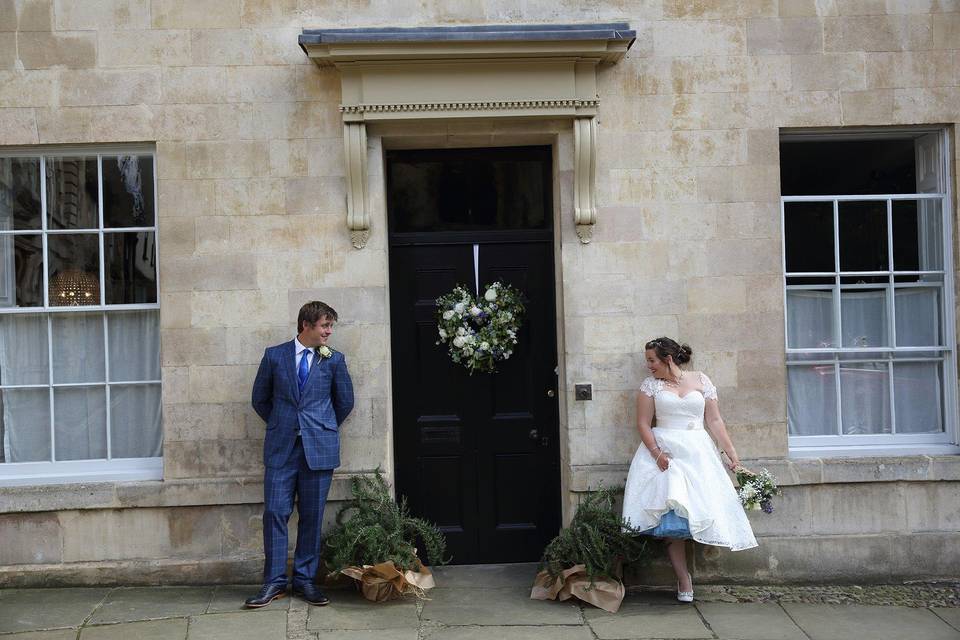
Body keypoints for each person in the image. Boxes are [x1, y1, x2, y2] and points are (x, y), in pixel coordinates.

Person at [622, 337, 756, 603]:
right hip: (666, 454)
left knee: (700, 509)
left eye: (652, 360)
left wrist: (733, 456)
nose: (648, 366)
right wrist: (656, 453)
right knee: (672, 517)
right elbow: (643, 424)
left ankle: (692, 570)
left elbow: (715, 420)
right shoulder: (651, 386)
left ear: (668, 359)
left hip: (698, 453)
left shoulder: (701, 380)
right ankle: (684, 579)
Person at [245, 301, 354, 608]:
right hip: (281, 450)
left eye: (331, 326)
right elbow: (259, 399)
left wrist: (318, 427)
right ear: (306, 325)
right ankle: (274, 582)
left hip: (318, 450)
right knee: (275, 514)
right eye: (325, 326)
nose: (329, 332)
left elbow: (344, 402)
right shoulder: (275, 356)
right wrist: (284, 424)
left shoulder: (334, 360)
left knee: (312, 517)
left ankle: (305, 581)